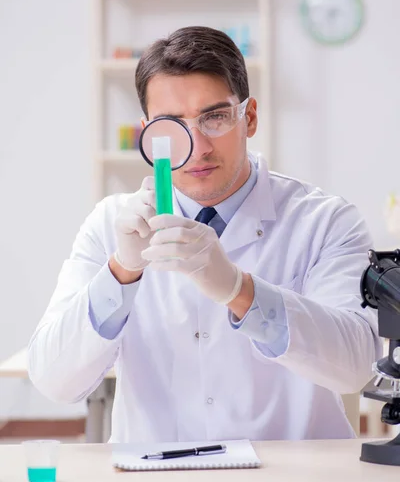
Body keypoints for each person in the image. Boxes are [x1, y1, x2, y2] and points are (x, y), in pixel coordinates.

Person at [28, 26, 380, 443]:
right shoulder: (110, 225)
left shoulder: (325, 220)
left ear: (248, 118)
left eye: (214, 117)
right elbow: (54, 381)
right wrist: (121, 272)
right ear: (148, 135)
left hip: (295, 480)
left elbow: (355, 367)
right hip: (156, 480)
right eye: (171, 126)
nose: (197, 147)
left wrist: (240, 290)